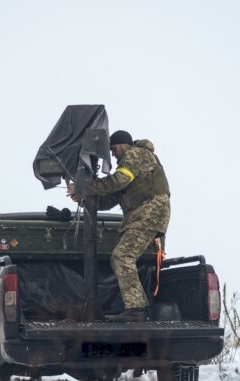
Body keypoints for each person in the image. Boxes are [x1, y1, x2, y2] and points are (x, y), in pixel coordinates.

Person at [69, 130, 171, 322]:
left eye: (114, 149)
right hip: (144, 216)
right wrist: (83, 198)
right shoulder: (132, 165)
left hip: (149, 214)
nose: (113, 154)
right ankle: (138, 308)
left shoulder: (136, 154)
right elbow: (108, 201)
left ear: (124, 144)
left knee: (122, 256)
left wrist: (84, 186)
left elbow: (118, 181)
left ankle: (137, 310)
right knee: (122, 256)